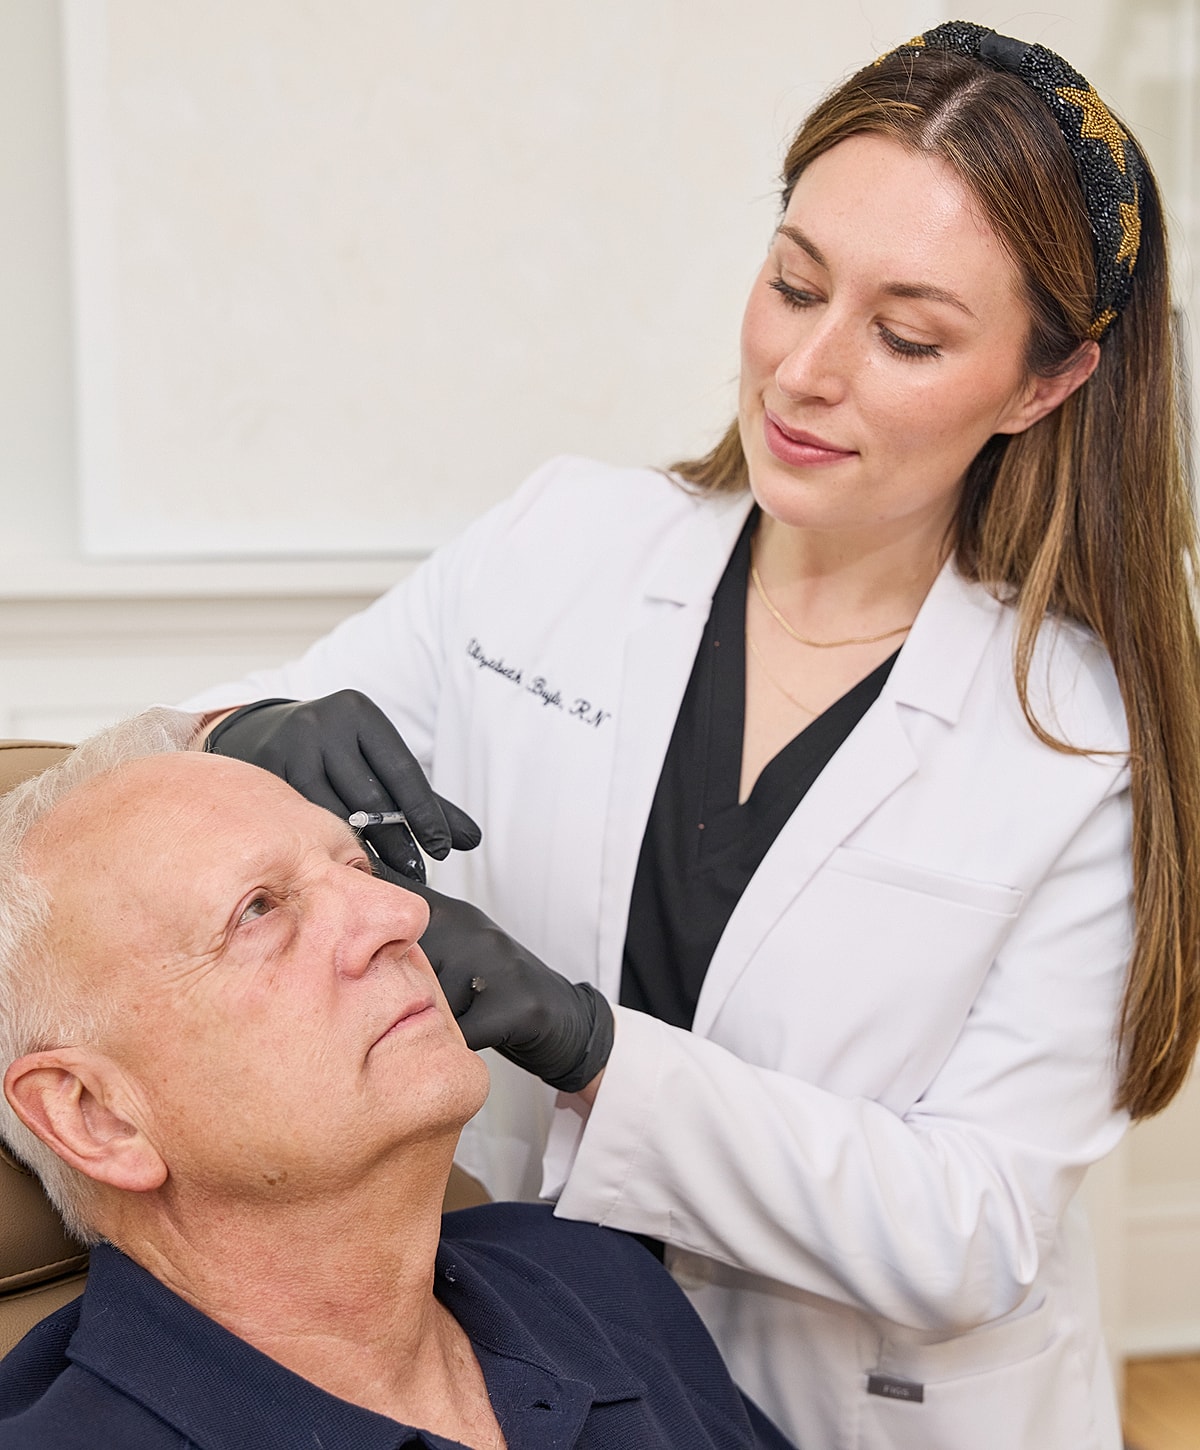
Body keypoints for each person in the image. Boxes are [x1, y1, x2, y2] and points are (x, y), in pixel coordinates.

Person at [179, 21, 1200, 1450]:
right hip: (532, 1363)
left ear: (1046, 384)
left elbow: (973, 1227)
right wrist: (257, 725)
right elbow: (187, 759)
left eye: (905, 334)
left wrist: (590, 1042)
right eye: (792, 284)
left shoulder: (1081, 740)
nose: (805, 369)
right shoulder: (568, 540)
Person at [0, 713, 792, 1450]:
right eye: (259, 910)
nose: (399, 914)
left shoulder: (599, 1283)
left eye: (355, 863)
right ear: (96, 1116)